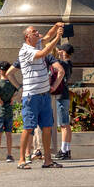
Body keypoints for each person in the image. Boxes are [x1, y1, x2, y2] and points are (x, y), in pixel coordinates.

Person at [16, 23, 63, 169]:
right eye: (34, 32)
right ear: (27, 37)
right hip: (32, 95)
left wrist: (56, 26)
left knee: (47, 127)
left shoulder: (37, 43)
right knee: (28, 127)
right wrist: (58, 37)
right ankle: (21, 160)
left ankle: (47, 160)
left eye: (37, 31)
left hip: (44, 94)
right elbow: (43, 53)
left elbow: (47, 36)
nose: (37, 33)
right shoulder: (25, 50)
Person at [0, 62, 17, 163]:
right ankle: (9, 155)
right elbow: (18, 90)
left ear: (0, 71)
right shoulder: (12, 82)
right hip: (9, 110)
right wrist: (13, 98)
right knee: (8, 134)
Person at [54, 40, 74, 161]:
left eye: (61, 50)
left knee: (64, 124)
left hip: (61, 95)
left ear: (65, 52)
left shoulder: (64, 64)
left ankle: (64, 150)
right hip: (64, 95)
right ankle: (66, 149)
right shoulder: (68, 63)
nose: (59, 51)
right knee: (65, 124)